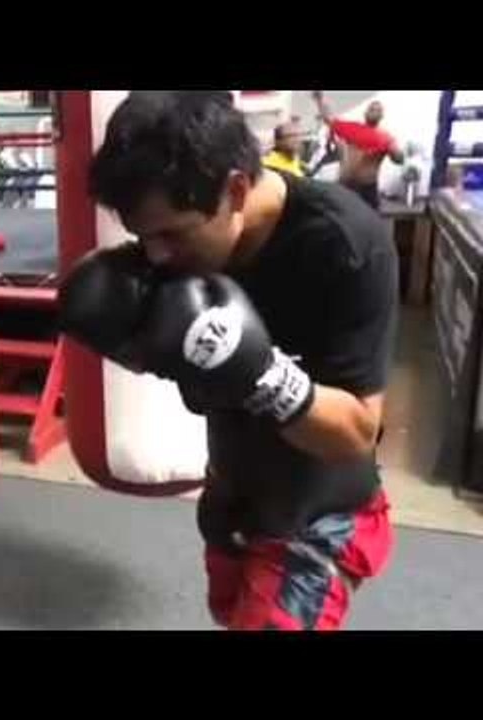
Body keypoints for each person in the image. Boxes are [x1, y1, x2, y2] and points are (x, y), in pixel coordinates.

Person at [58, 91, 398, 631]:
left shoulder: (344, 245)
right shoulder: (173, 241)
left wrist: (261, 372)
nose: (158, 256)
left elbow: (358, 431)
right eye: (143, 237)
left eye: (171, 233)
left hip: (318, 515)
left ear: (236, 189)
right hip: (234, 494)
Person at [312, 91, 405, 209]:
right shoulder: (352, 129)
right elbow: (329, 118)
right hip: (345, 187)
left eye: (378, 110)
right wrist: (319, 99)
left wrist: (394, 152)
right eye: (371, 108)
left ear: (382, 116)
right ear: (365, 113)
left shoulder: (386, 138)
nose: (374, 111)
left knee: (368, 224)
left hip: (366, 191)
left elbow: (399, 159)